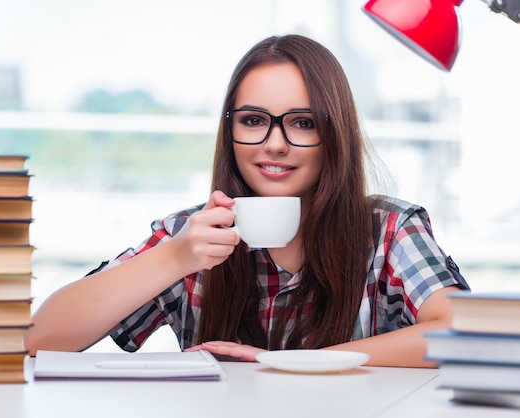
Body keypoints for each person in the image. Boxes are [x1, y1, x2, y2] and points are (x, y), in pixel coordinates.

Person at [25, 34, 469, 367]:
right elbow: (41, 338)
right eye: (254, 120)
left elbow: (465, 332)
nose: (274, 144)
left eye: (302, 123)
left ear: (335, 134)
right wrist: (173, 258)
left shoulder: (388, 230)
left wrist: (289, 364)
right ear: (230, 131)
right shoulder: (191, 236)